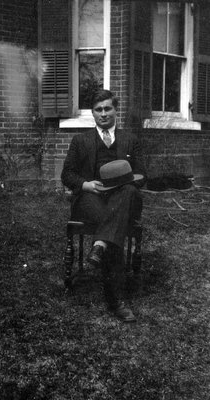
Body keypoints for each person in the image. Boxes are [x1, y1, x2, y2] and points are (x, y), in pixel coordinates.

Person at [61, 89, 146, 322]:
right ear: (92, 114)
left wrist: (125, 180)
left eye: (108, 108)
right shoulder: (80, 141)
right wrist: (87, 185)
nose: (103, 114)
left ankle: (99, 245)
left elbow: (142, 175)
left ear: (116, 110)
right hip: (91, 198)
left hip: (124, 197)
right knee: (115, 227)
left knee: (128, 191)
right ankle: (116, 300)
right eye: (98, 110)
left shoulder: (130, 140)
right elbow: (67, 174)